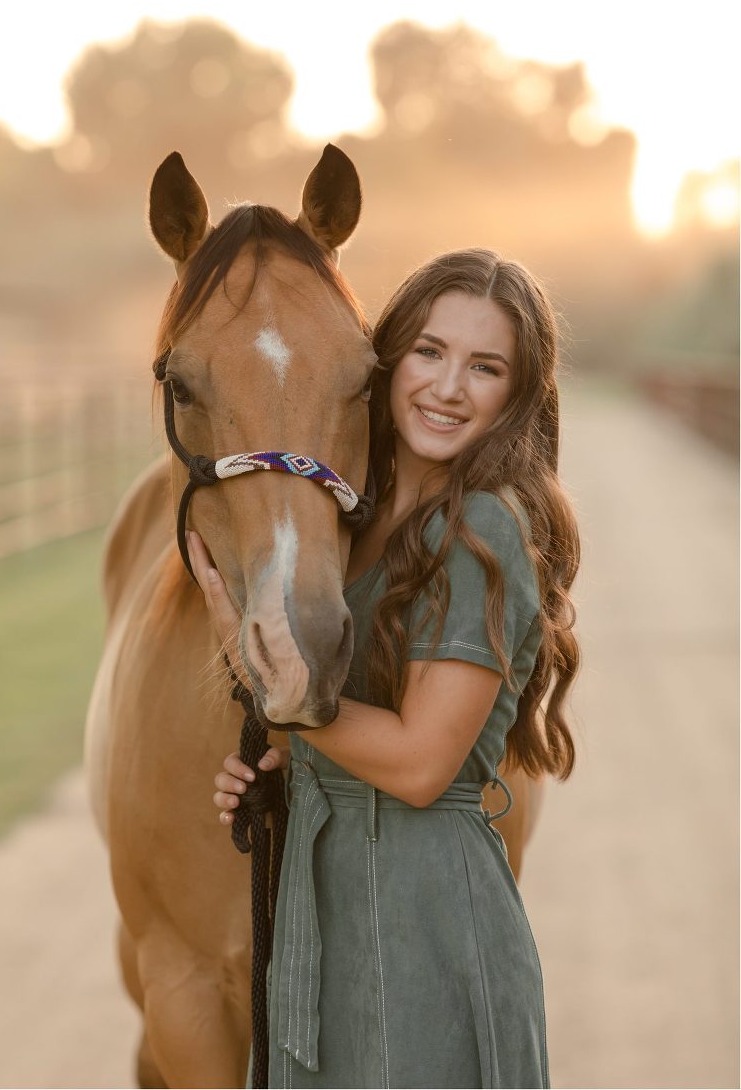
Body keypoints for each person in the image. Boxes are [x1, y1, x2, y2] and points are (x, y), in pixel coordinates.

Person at [188, 247, 580, 1089]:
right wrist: (282, 769)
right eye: (431, 352)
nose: (447, 386)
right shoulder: (356, 524)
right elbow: (352, 731)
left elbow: (417, 763)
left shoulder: (482, 530)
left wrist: (290, 703)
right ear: (390, 355)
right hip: (320, 921)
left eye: (485, 367)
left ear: (515, 394)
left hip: (424, 928)